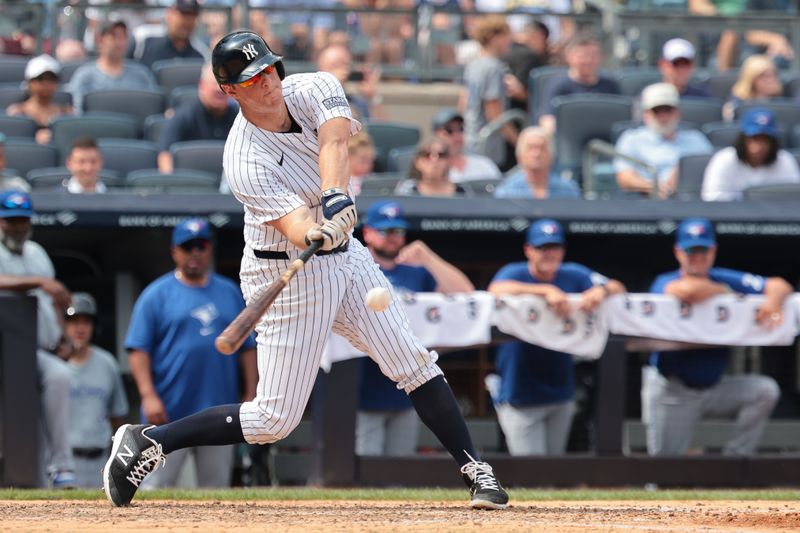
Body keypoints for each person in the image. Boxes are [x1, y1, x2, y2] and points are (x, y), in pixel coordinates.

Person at [103, 31, 508, 510]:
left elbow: (335, 138)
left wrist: (336, 199)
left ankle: (475, 468)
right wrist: (315, 229)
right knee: (274, 420)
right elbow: (296, 228)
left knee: (413, 361)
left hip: (349, 259)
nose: (268, 82)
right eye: (253, 78)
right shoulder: (243, 158)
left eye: (270, 69)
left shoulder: (313, 86)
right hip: (287, 272)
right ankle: (149, 441)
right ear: (230, 90)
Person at [123, 217, 257, 490]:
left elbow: (247, 347)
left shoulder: (229, 292)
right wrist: (148, 396)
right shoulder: (157, 294)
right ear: (175, 251)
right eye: (187, 247)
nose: (195, 253)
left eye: (201, 245)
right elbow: (138, 349)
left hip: (219, 411)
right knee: (157, 487)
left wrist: (251, 393)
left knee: (215, 490)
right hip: (170, 411)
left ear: (209, 249)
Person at [643, 217, 789, 456]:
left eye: (704, 250)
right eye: (692, 251)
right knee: (664, 472)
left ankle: (735, 461)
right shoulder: (666, 279)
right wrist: (726, 292)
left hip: (715, 386)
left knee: (764, 390)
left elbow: (779, 285)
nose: (699, 257)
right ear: (678, 252)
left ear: (714, 250)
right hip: (674, 389)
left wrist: (772, 301)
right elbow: (685, 291)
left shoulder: (722, 276)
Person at [487, 219, 625, 455]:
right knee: (531, 473)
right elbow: (495, 289)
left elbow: (618, 287)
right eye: (542, 248)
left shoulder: (573, 273)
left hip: (559, 387)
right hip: (519, 389)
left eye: (555, 247)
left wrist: (600, 291)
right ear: (528, 250)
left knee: (553, 467)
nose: (549, 254)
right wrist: (545, 291)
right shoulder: (516, 272)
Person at [357, 200, 474, 456]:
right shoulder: (355, 269)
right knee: (365, 470)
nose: (392, 237)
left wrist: (428, 257)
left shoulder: (416, 273)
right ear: (367, 233)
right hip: (363, 386)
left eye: (397, 231)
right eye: (385, 231)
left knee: (399, 470)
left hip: (410, 385)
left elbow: (466, 295)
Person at [0, 190, 75, 488]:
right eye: (10, 220)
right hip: (5, 350)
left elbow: (53, 302)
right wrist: (40, 282)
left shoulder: (36, 252)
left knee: (60, 375)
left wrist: (65, 336)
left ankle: (61, 467)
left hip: (36, 349)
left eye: (22, 221)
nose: (17, 227)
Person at [63, 292, 129, 488]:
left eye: (86, 322)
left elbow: (117, 416)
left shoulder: (107, 363)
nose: (80, 328)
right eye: (74, 321)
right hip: (62, 460)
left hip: (99, 458)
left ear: (94, 327)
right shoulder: (53, 367)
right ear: (64, 325)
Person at [614, 83, 713, 198]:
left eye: (668, 110)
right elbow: (624, 177)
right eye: (657, 111)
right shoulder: (631, 139)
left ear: (678, 113)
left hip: (690, 202)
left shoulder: (696, 139)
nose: (664, 116)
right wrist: (651, 187)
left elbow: (713, 171)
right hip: (645, 201)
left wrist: (682, 174)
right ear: (646, 114)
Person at [702, 108, 800, 201]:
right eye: (754, 139)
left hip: (776, 216)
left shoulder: (785, 160)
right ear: (743, 139)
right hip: (731, 217)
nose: (758, 146)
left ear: (773, 142)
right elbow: (712, 200)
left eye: (765, 140)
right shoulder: (724, 159)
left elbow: (794, 198)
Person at [462, 16, 519, 172]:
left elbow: (463, 102)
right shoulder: (493, 68)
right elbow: (494, 114)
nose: (510, 41)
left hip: (470, 138)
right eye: (506, 36)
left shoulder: (473, 64)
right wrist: (519, 142)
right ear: (495, 38)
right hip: (488, 146)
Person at [158, 64, 238, 173]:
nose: (219, 89)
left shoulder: (240, 120)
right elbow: (165, 156)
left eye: (225, 84)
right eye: (214, 83)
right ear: (201, 86)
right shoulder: (182, 117)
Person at [538, 35, 621, 136]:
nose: (588, 61)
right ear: (569, 57)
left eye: (594, 56)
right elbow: (547, 120)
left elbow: (622, 118)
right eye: (583, 56)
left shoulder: (611, 85)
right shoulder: (558, 85)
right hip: (569, 140)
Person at [68, 20, 158, 112]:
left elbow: (154, 106)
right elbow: (75, 109)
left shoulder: (142, 74)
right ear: (100, 39)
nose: (120, 43)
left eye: (124, 37)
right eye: (114, 36)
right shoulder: (84, 75)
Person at [494, 126, 580, 199]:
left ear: (552, 156)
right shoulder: (506, 192)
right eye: (530, 148)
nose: (536, 154)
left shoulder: (568, 191)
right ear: (519, 157)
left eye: (542, 148)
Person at [5, 54, 73, 145]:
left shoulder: (66, 113)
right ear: (30, 82)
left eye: (52, 79)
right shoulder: (16, 112)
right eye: (40, 79)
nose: (46, 83)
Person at [316, 43, 385, 121]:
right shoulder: (310, 97)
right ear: (321, 68)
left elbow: (382, 129)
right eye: (335, 66)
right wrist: (332, 83)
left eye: (345, 65)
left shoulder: (357, 102)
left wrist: (373, 97)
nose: (342, 70)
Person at [432, 108, 502, 184]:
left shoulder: (484, 165)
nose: (457, 135)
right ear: (437, 134)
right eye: (449, 131)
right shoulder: (429, 169)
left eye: (461, 129)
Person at [135, 0, 208, 69]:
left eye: (192, 16)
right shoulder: (144, 41)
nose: (187, 22)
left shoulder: (200, 55)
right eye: (183, 15)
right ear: (169, 14)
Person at [503, 18, 551, 114]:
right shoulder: (529, 56)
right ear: (540, 36)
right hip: (519, 114)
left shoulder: (506, 50)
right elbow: (517, 91)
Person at [395, 139, 472, 197]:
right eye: (427, 155)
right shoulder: (408, 189)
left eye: (441, 155)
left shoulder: (462, 190)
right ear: (417, 162)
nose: (434, 160)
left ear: (448, 161)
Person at [723, 55, 783, 121]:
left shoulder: (782, 102)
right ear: (751, 79)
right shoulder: (734, 104)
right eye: (764, 76)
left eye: (774, 75)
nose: (770, 80)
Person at [348, 131, 376, 196]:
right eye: (363, 161)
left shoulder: (374, 181)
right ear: (348, 158)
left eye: (370, 161)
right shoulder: (343, 183)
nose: (367, 166)